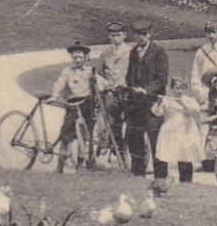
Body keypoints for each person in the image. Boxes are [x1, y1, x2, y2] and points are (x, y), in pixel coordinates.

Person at [125, 21, 170, 178]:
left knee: (156, 139)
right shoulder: (133, 52)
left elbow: (162, 79)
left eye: (145, 34)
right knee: (134, 136)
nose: (142, 37)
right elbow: (129, 76)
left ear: (150, 34)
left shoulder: (159, 51)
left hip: (152, 102)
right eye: (139, 34)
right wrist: (131, 89)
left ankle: (161, 176)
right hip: (135, 103)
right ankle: (138, 173)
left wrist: (146, 90)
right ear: (135, 35)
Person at [51, 42, 98, 168]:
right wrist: (55, 95)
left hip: (86, 105)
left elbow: (101, 83)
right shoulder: (67, 71)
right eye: (75, 57)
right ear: (72, 57)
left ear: (85, 58)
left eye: (80, 57)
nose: (77, 60)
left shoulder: (89, 71)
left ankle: (83, 162)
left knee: (86, 134)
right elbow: (59, 83)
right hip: (72, 105)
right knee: (66, 134)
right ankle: (60, 164)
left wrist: (107, 86)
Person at [153, 79, 204, 183]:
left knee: (185, 154)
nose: (179, 91)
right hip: (170, 129)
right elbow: (157, 113)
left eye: (182, 88)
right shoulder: (167, 100)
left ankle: (186, 181)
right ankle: (162, 179)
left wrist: (182, 102)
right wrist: (158, 103)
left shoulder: (189, 100)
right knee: (165, 153)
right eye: (177, 88)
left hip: (185, 130)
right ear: (172, 89)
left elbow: (195, 110)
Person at [96, 21, 132, 158]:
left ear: (124, 35)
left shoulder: (130, 53)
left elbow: (135, 72)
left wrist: (125, 83)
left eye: (118, 35)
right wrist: (104, 83)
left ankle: (129, 147)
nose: (115, 38)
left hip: (126, 91)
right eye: (112, 35)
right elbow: (99, 73)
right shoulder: (105, 54)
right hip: (111, 92)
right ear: (109, 37)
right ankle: (116, 148)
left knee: (132, 120)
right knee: (112, 118)